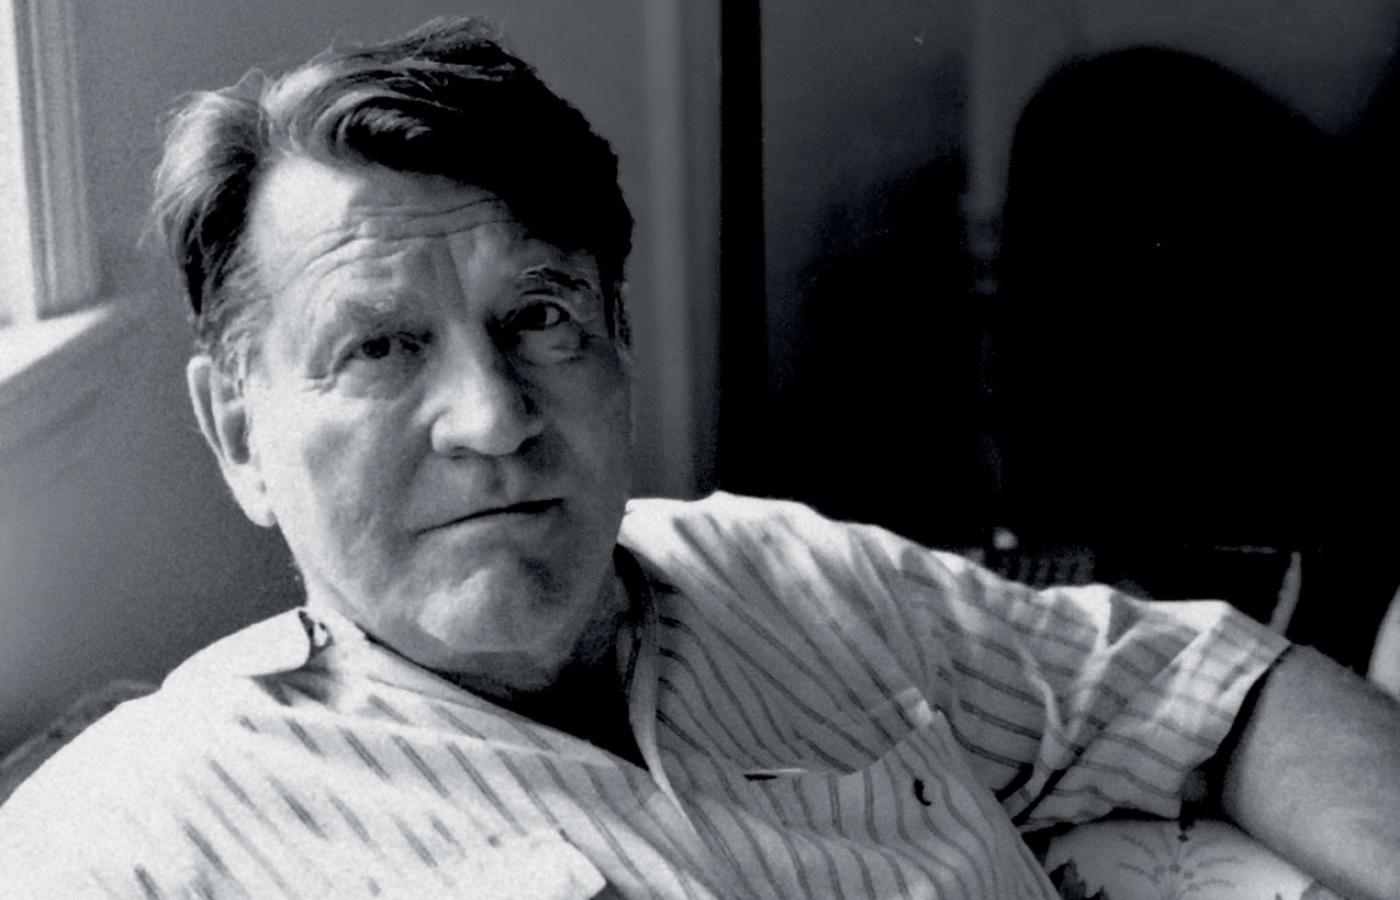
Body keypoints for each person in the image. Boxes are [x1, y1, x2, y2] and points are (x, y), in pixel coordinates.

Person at [2, 16, 1398, 899]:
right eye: (380, 348)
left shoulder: (795, 575)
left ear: (619, 345)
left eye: (540, 317)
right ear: (241, 436)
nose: (492, 416)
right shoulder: (135, 838)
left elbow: (1224, 692)